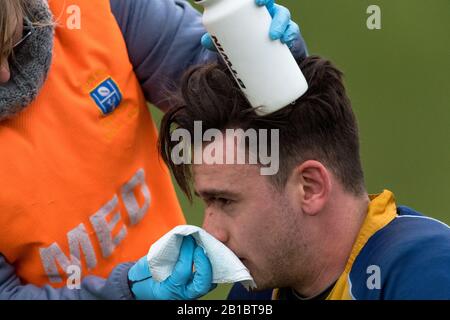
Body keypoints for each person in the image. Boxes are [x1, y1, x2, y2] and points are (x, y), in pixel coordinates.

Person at [0, 0, 307, 299]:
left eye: (10, 43)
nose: (4, 74)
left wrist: (261, 56)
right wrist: (127, 292)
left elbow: (221, 95)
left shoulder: (94, 8)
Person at [158, 56, 450, 300]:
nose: (210, 233)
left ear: (309, 187)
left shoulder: (426, 275)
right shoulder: (256, 291)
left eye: (224, 200)